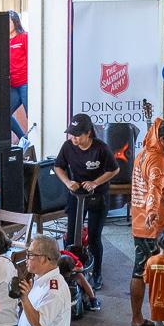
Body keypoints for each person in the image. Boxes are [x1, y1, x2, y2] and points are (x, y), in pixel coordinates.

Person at [126, 118, 164, 326]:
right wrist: (151, 212)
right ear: (162, 139)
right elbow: (154, 190)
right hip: (159, 228)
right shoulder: (157, 162)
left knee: (139, 271)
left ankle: (137, 318)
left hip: (140, 226)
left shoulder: (143, 155)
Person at [55, 114, 117, 285]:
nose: (74, 138)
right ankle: (69, 269)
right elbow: (58, 166)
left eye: (77, 135)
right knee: (72, 235)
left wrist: (96, 183)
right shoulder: (67, 147)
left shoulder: (101, 148)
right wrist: (68, 182)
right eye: (72, 134)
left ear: (88, 133)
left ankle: (97, 273)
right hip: (76, 196)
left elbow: (114, 169)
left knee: (94, 238)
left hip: (98, 196)